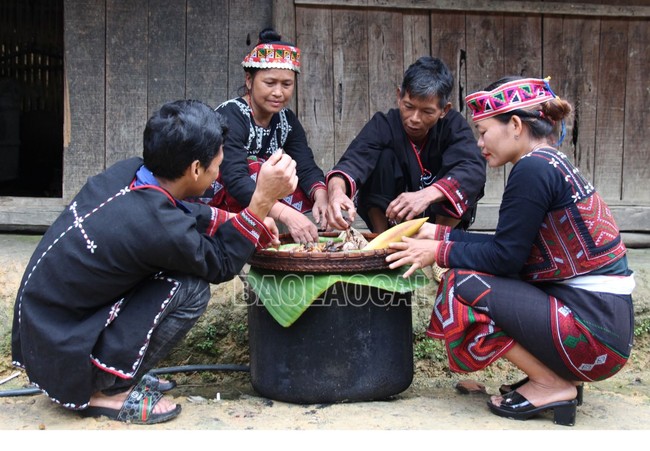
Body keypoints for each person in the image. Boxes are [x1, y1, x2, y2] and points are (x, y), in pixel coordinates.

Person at [11, 100, 298, 424]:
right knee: (191, 289)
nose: (218, 173)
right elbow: (219, 264)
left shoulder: (131, 172)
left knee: (170, 268)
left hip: (44, 330)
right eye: (217, 166)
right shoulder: (157, 226)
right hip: (63, 351)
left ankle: (112, 372)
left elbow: (175, 209)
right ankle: (106, 388)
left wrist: (232, 218)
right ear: (194, 170)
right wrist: (259, 206)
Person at [386, 76, 635, 426]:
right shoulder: (549, 163)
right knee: (471, 274)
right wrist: (438, 233)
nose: (479, 142)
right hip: (602, 327)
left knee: (462, 285)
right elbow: (508, 247)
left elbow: (504, 259)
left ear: (515, 125)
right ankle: (561, 377)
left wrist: (436, 252)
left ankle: (551, 382)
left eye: (484, 131)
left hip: (593, 336)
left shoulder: (532, 169)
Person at [195, 28, 328, 244]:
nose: (278, 92)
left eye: (287, 84)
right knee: (259, 168)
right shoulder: (232, 115)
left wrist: (322, 198)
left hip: (257, 194)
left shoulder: (287, 120)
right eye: (270, 83)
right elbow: (236, 179)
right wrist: (287, 214)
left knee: (319, 183)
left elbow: (305, 166)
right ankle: (246, 235)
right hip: (219, 193)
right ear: (249, 80)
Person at [326, 56, 486, 234]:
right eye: (409, 106)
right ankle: (381, 242)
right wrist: (336, 192)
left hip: (439, 223)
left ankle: (436, 240)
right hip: (392, 221)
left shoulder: (453, 126)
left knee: (465, 177)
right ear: (398, 97)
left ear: (444, 110)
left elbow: (473, 169)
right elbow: (352, 162)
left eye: (427, 111)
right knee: (381, 158)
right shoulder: (384, 124)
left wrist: (428, 194)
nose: (415, 118)